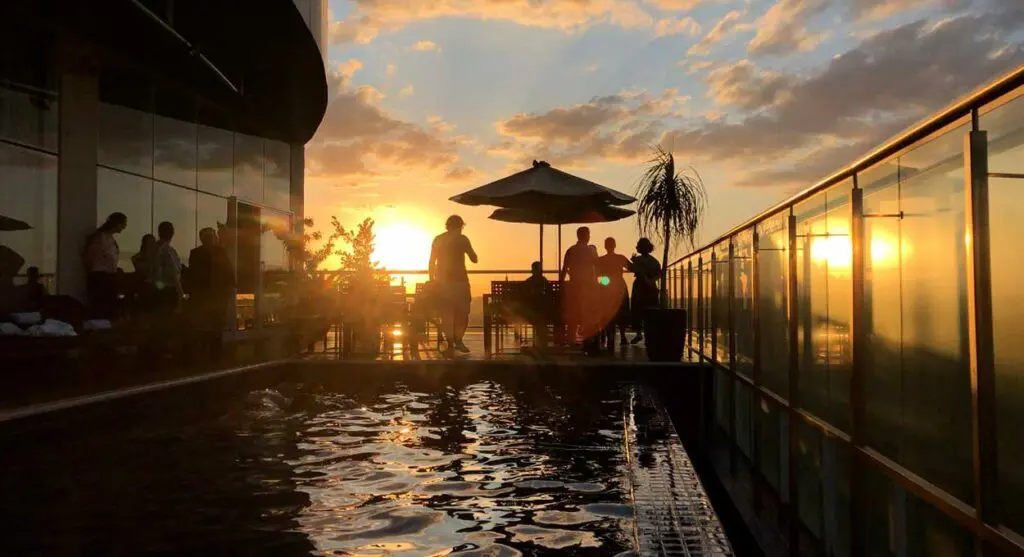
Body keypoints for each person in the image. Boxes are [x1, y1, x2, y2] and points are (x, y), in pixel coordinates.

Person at [429, 215, 478, 357]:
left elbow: (431, 262)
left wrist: (432, 280)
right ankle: (458, 340)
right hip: (460, 281)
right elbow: (474, 259)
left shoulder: (438, 239)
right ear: (460, 226)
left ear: (447, 225)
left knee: (447, 314)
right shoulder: (463, 239)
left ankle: (451, 343)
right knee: (462, 312)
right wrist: (470, 252)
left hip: (442, 282)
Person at [188, 228, 235, 360]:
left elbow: (229, 270)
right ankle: (207, 348)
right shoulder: (197, 253)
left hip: (217, 294)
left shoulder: (220, 252)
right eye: (207, 237)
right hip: (204, 295)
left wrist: (230, 287)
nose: (210, 240)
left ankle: (215, 350)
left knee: (217, 323)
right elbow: (193, 274)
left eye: (211, 237)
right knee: (206, 323)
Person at [560, 226, 599, 352]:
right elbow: (598, 266)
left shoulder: (571, 250)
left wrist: (561, 285)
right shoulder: (591, 250)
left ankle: (571, 339)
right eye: (588, 234)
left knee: (573, 314)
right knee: (587, 315)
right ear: (585, 236)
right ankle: (587, 340)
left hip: (574, 286)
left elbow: (564, 269)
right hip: (588, 286)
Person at [84, 212, 127, 319]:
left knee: (108, 306)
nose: (124, 227)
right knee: (100, 306)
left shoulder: (109, 238)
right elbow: (90, 256)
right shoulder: (100, 237)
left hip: (108, 275)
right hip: (100, 275)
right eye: (123, 224)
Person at [596, 237, 632, 350]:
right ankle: (622, 336)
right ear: (614, 245)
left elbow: (596, 274)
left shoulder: (601, 260)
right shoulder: (620, 258)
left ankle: (610, 335)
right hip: (619, 285)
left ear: (605, 246)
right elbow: (632, 267)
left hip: (606, 285)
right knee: (622, 311)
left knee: (608, 311)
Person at [630, 237, 661, 345]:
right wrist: (651, 281)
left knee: (637, 310)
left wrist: (633, 261)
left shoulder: (638, 260)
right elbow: (659, 274)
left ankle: (639, 334)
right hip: (651, 286)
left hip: (640, 286)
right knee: (650, 310)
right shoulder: (654, 261)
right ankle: (649, 334)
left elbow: (633, 269)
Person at [152, 221, 183, 317]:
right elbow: (173, 273)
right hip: (167, 289)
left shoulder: (153, 248)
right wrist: (180, 293)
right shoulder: (168, 251)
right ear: (172, 233)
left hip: (155, 287)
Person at [521, 261, 551, 351]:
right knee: (540, 316)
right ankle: (542, 340)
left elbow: (524, 297)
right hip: (542, 312)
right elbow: (549, 294)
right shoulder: (544, 281)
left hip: (529, 313)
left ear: (532, 270)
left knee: (538, 315)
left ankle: (540, 340)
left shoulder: (528, 282)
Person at [131, 234, 158, 318]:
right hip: (143, 284)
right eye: (150, 243)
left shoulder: (157, 257)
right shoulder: (138, 257)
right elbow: (141, 269)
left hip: (156, 283)